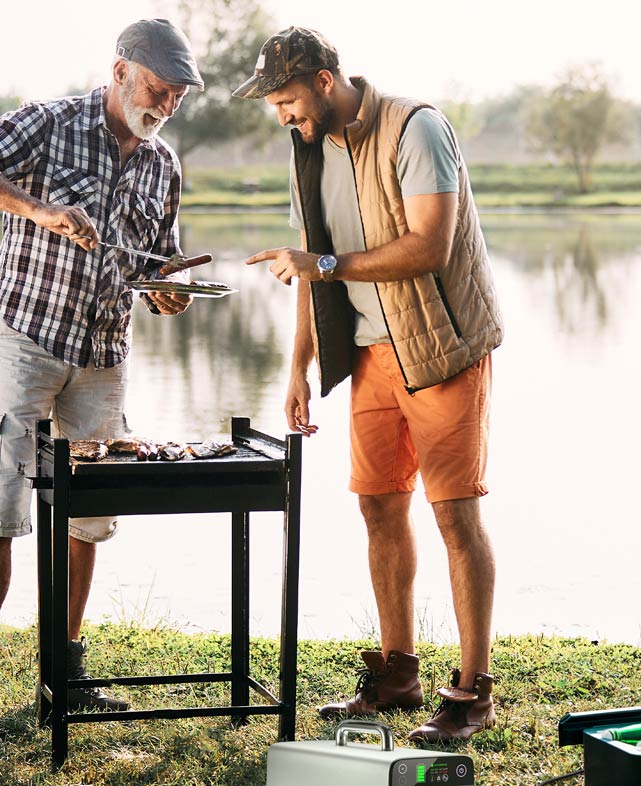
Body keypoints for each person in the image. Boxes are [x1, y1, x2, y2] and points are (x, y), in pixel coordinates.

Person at [0, 19, 203, 737]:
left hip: (104, 356)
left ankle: (65, 672)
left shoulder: (164, 165)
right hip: (23, 341)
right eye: (156, 87)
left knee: (88, 517)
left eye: (175, 95)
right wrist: (39, 210)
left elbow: (155, 261)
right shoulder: (52, 124)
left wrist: (166, 288)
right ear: (120, 71)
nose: (165, 103)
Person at [234, 27, 505, 744]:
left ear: (325, 81)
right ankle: (397, 673)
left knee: (456, 518)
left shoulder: (416, 128)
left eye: (287, 99)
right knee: (380, 511)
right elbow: (307, 264)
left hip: (442, 350)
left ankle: (473, 692)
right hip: (367, 355)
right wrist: (298, 364)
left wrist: (323, 267)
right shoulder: (308, 151)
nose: (282, 115)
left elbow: (429, 245)